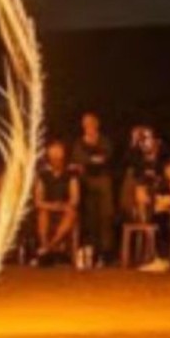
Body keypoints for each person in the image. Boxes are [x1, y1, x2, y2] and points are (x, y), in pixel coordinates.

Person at [71, 112, 115, 264]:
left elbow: (105, 158)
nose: (87, 125)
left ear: (96, 124)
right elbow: (79, 160)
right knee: (90, 217)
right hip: (86, 182)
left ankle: (106, 252)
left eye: (90, 122)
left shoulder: (104, 141)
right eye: (85, 123)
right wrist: (92, 160)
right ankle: (91, 251)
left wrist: (89, 161)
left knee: (106, 215)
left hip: (103, 181)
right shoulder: (79, 143)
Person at [33, 139, 79, 265]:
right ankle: (46, 245)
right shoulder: (43, 175)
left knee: (71, 213)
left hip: (65, 208)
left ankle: (48, 248)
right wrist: (52, 206)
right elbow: (38, 201)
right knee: (42, 213)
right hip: (48, 207)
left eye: (59, 155)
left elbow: (75, 198)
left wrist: (63, 206)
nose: (56, 158)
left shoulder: (71, 174)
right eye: (53, 155)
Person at [120, 125, 163, 223]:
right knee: (133, 182)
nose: (144, 140)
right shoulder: (136, 152)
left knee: (142, 191)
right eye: (142, 137)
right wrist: (134, 142)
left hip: (154, 185)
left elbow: (160, 167)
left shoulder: (159, 149)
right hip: (139, 184)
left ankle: (145, 223)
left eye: (147, 137)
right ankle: (136, 218)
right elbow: (128, 162)